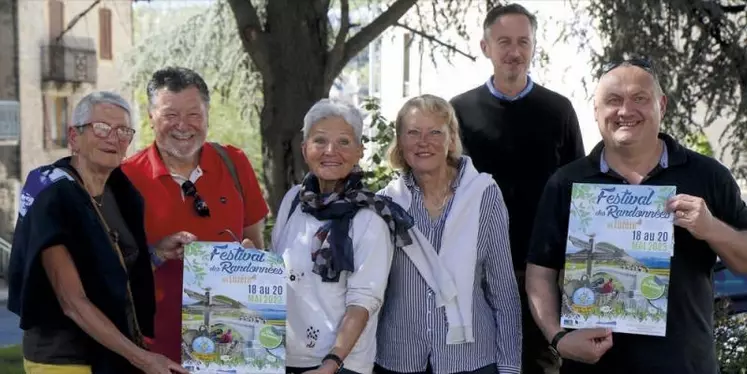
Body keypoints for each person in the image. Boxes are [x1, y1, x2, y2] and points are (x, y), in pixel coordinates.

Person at [525, 58, 747, 374]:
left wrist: (712, 228)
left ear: (662, 105)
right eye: (613, 100)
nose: (625, 111)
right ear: (596, 111)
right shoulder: (566, 182)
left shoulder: (708, 176)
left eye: (639, 98)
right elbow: (539, 273)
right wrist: (558, 338)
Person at [6, 91, 187, 373]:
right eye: (101, 128)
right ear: (74, 137)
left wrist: (158, 253)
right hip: (64, 360)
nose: (113, 138)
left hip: (113, 355)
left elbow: (112, 274)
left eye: (123, 131)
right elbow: (72, 302)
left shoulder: (121, 194)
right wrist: (143, 358)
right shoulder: (50, 192)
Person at [449, 4, 585, 373]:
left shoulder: (559, 110)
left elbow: (578, 191)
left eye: (523, 42)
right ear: (485, 46)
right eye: (504, 41)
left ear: (534, 47)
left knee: (541, 362)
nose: (514, 51)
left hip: (542, 268)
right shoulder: (458, 112)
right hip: (474, 268)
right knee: (477, 363)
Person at [121, 67, 269, 363]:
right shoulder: (126, 178)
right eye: (170, 115)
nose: (183, 126)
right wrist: (157, 254)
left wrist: (251, 260)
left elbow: (258, 248)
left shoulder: (235, 163)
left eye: (193, 114)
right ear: (151, 117)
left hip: (230, 352)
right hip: (153, 356)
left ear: (207, 116)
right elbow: (113, 274)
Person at [375, 94, 522, 374]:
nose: (423, 142)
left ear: (451, 138)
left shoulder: (483, 195)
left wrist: (510, 366)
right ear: (400, 141)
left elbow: (502, 288)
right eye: (413, 132)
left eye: (435, 132)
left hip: (471, 359)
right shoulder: (385, 204)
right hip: (398, 358)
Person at [271, 98, 411, 374]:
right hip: (285, 356)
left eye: (344, 142)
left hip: (341, 364)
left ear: (359, 151)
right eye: (320, 141)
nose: (330, 151)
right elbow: (278, 271)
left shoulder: (370, 215)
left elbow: (364, 301)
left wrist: (332, 363)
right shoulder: (292, 201)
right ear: (304, 149)